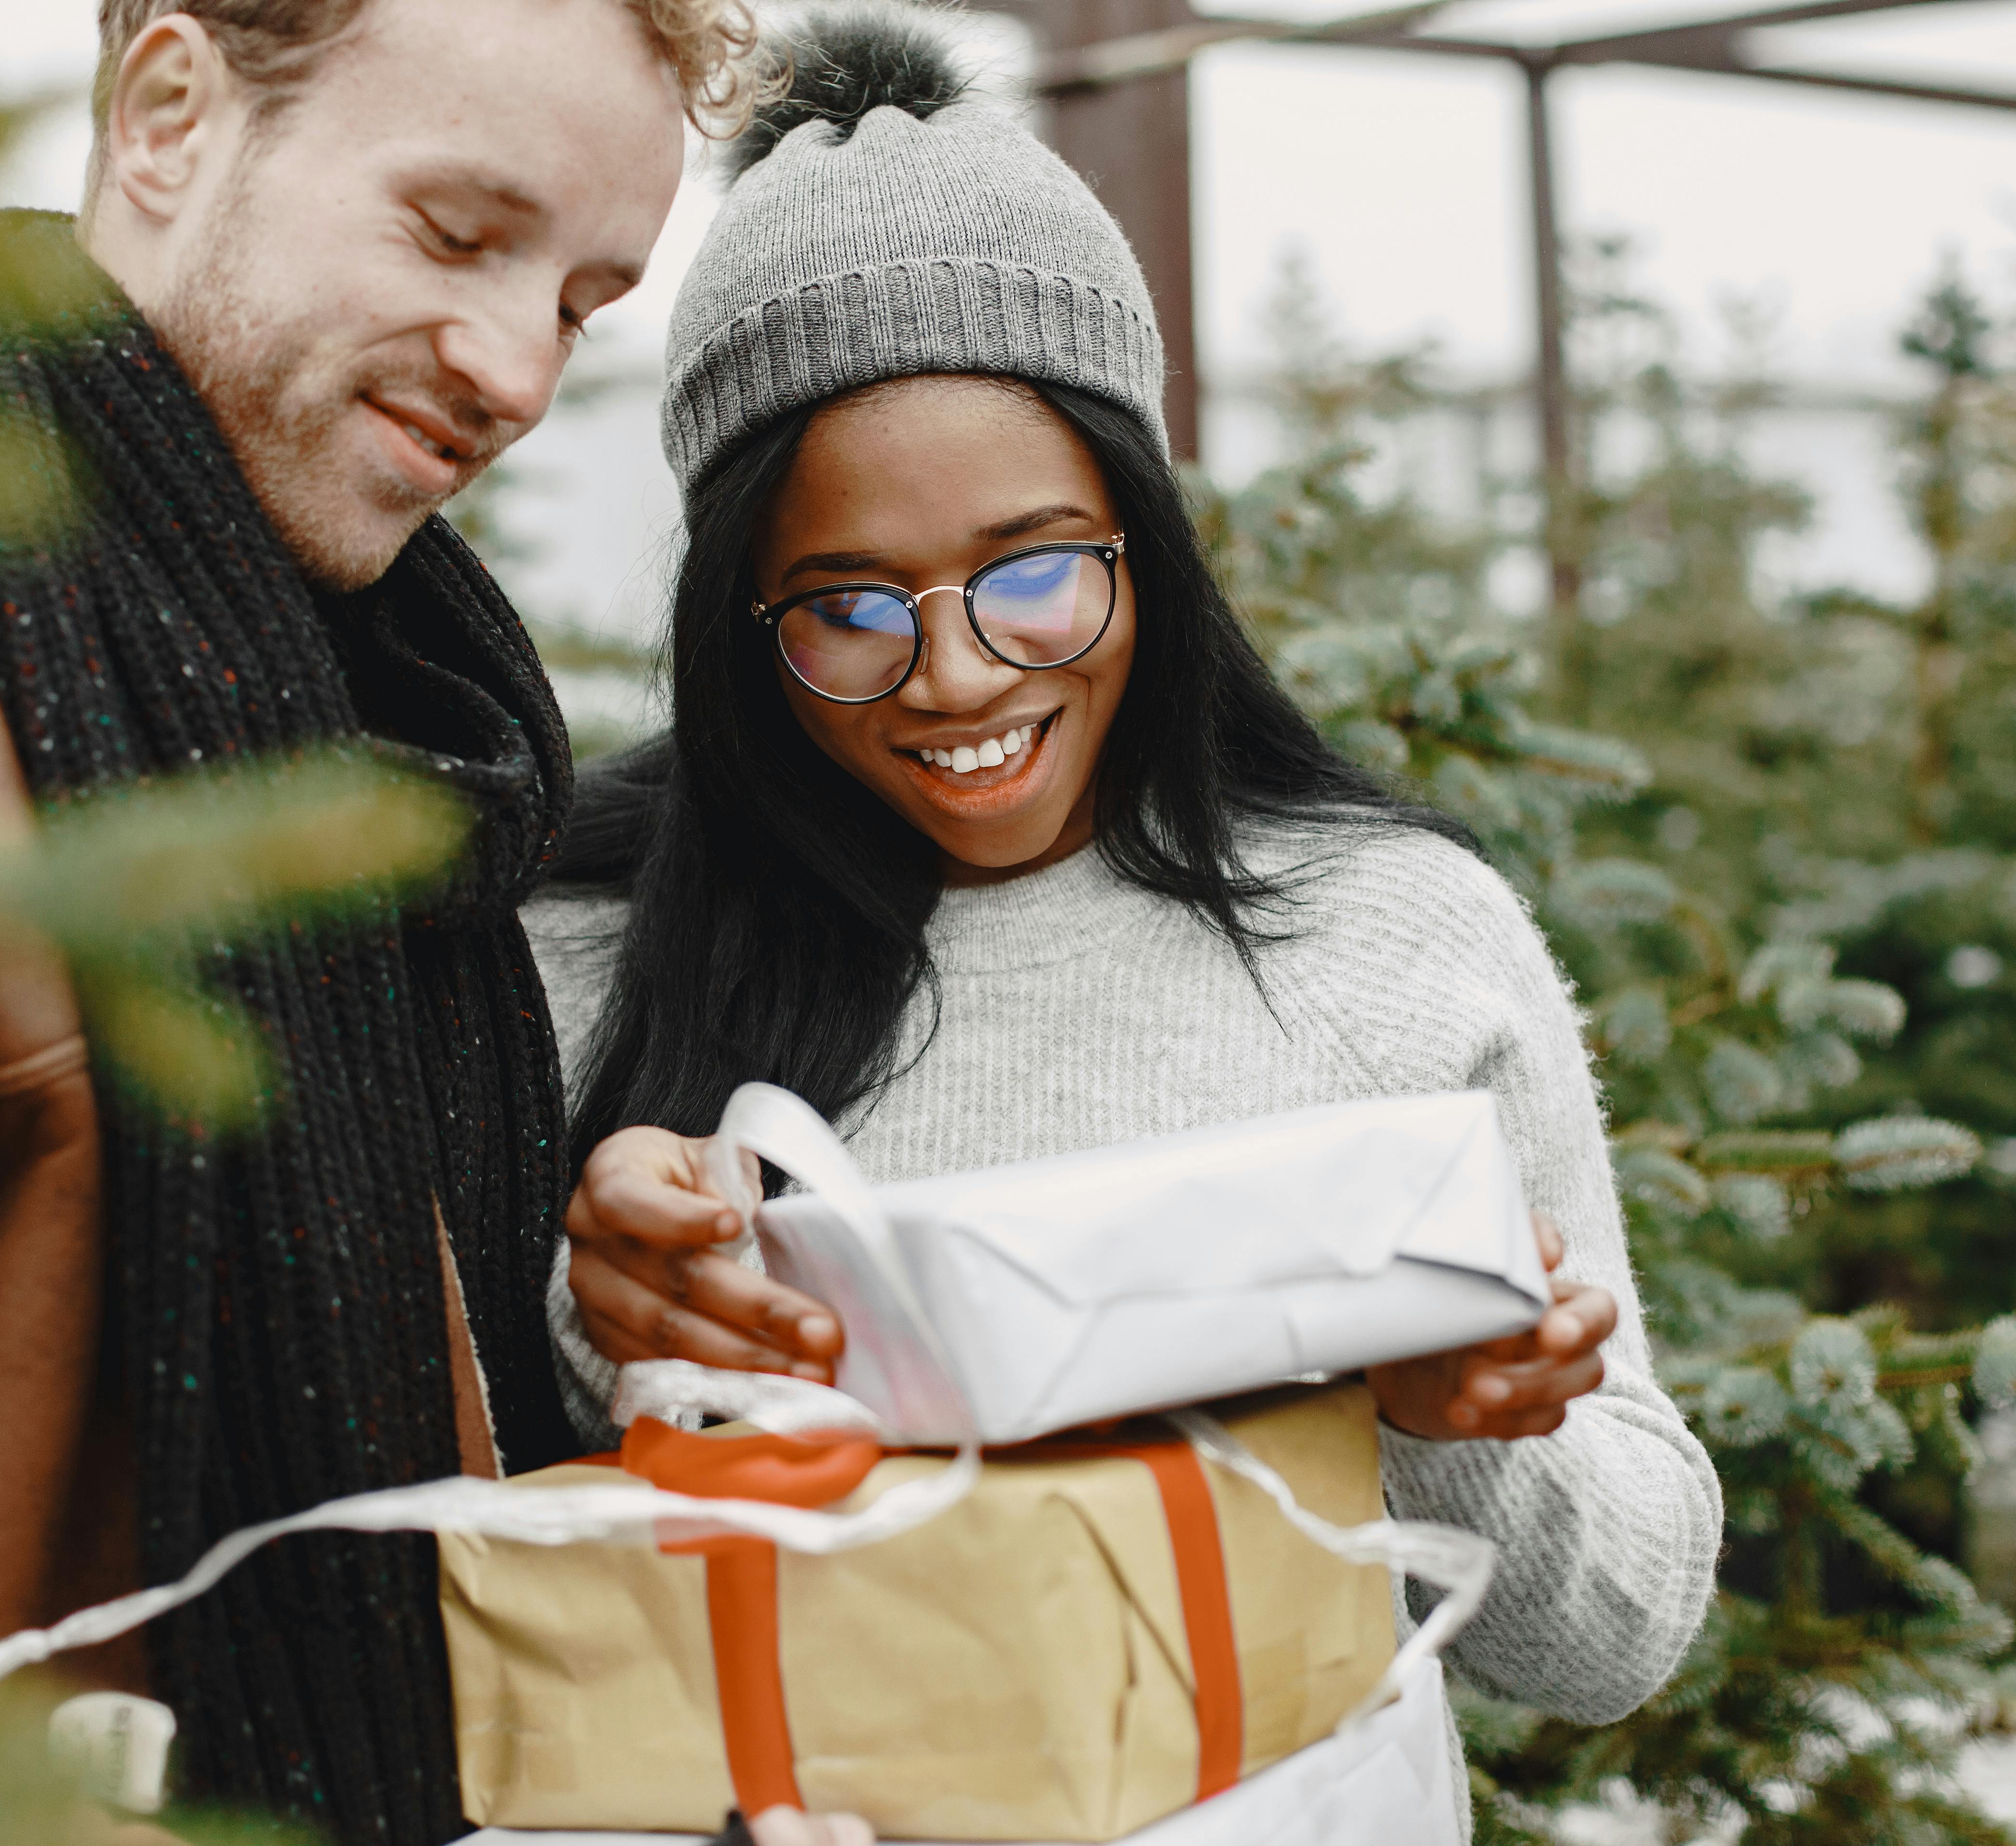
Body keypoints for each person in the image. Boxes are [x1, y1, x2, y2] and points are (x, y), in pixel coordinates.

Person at [0, 0, 758, 1838]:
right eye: (456, 235)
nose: (521, 371)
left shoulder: (328, 744)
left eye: (586, 299)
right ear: (172, 114)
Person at [529, 12, 1723, 1836]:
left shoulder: (1385, 942)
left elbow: (1617, 1639)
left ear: (1141, 544)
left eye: (1034, 574)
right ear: (736, 624)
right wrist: (610, 1313)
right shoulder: (583, 955)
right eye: (846, 606)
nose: (954, 678)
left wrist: (1465, 1411)